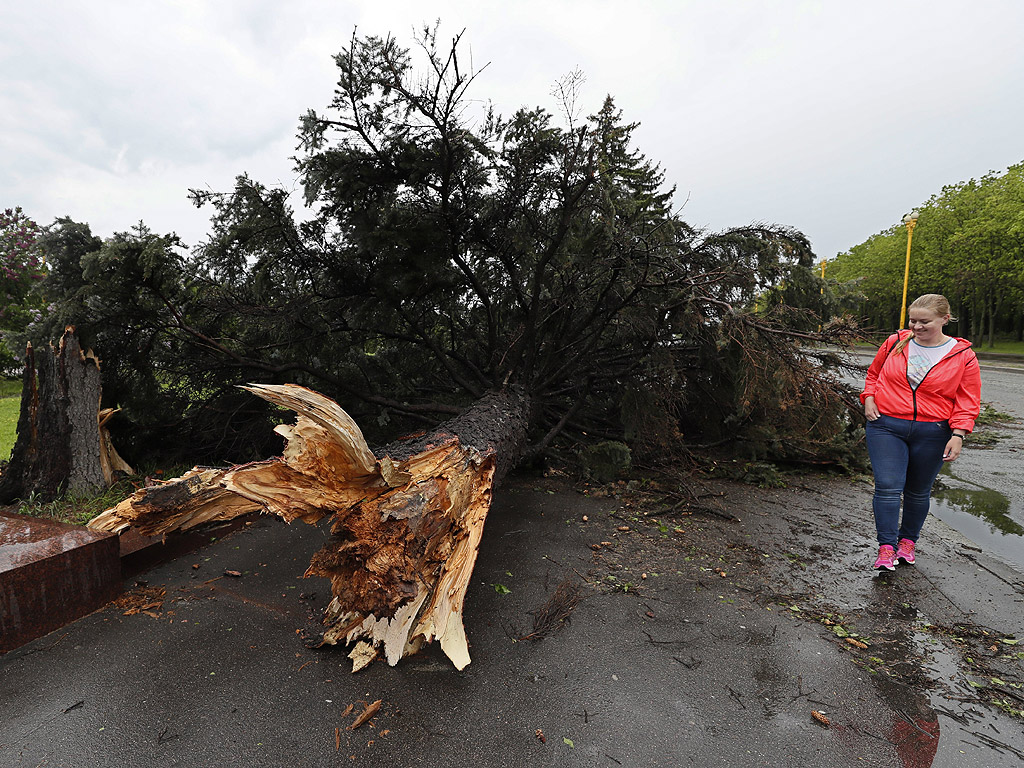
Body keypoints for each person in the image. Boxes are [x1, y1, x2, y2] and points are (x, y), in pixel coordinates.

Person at [860, 294, 981, 571]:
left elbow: (968, 400)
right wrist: (868, 397)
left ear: (944, 319)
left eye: (924, 321)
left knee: (917, 491)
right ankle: (886, 547)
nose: (916, 327)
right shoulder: (895, 342)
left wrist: (958, 434)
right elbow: (874, 374)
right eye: (913, 320)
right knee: (888, 487)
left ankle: (907, 543)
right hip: (886, 426)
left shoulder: (963, 356)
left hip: (934, 431)